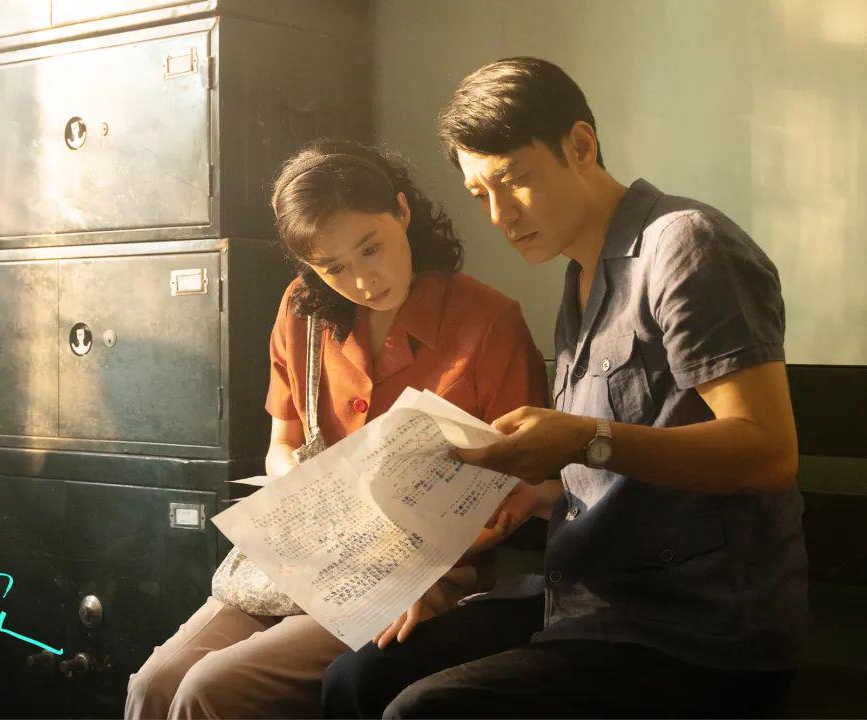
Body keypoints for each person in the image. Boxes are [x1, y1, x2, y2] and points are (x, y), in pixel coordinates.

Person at [322, 57, 808, 719]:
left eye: (515, 180)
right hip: (583, 603)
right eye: (480, 195)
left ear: (580, 146)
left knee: (425, 710)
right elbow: (613, 466)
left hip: (694, 632)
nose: (500, 214)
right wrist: (524, 493)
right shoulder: (580, 277)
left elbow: (768, 451)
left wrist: (583, 440)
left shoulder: (685, 246)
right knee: (357, 678)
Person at [124, 139, 553, 719]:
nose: (363, 280)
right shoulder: (302, 310)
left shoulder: (488, 320)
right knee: (152, 684)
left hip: (419, 573)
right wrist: (300, 484)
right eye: (334, 268)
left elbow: (523, 484)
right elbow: (281, 445)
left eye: (371, 248)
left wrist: (420, 572)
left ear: (402, 211)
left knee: (211, 688)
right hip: (308, 561)